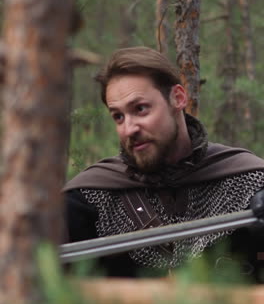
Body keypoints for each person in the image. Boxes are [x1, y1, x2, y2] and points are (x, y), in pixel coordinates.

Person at [63, 46, 264, 280]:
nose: (129, 129)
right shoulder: (87, 201)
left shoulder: (248, 182)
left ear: (178, 98)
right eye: (118, 116)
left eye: (140, 109)